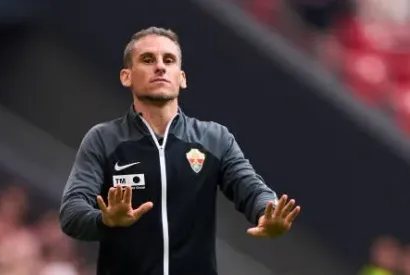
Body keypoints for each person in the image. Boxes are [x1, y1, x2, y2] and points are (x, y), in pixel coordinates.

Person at [59, 26, 301, 275]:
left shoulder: (214, 139)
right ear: (126, 76)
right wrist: (105, 221)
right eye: (148, 59)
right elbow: (71, 212)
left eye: (169, 60)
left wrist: (267, 211)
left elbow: (251, 189)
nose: (160, 67)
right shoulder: (103, 139)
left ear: (182, 78)